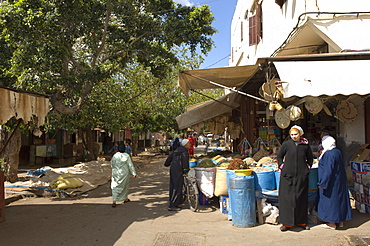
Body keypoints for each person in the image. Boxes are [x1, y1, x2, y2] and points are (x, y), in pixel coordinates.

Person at [277, 125, 313, 231]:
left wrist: (307, 167)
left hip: (301, 176)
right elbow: (279, 156)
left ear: (300, 134)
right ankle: (286, 223)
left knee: (300, 198)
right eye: (292, 135)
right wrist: (281, 166)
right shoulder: (286, 144)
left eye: (295, 134)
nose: (294, 136)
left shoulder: (305, 146)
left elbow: (310, 158)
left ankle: (301, 222)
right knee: (287, 199)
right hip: (287, 176)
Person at [317, 135, 352, 230]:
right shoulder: (337, 152)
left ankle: (331, 223)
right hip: (338, 181)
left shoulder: (329, 154)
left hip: (331, 183)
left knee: (331, 202)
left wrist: (323, 183)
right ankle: (340, 221)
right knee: (339, 201)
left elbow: (328, 170)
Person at [164, 139, 191, 211]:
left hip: (173, 170)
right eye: (189, 143)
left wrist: (167, 164)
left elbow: (169, 159)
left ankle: (175, 202)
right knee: (177, 187)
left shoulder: (176, 150)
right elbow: (185, 162)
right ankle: (172, 205)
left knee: (173, 186)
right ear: (185, 144)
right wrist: (186, 170)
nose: (190, 145)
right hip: (179, 170)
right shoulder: (184, 152)